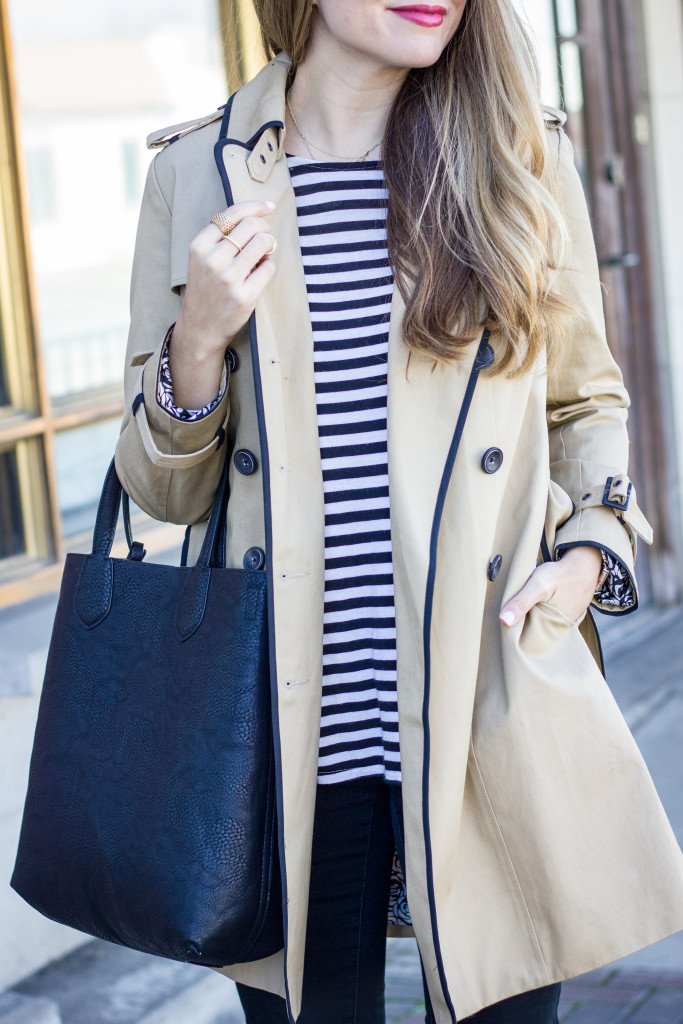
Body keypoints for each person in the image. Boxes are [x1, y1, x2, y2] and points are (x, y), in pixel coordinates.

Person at [114, 1, 683, 1021]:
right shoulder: (195, 175)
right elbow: (164, 491)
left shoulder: (514, 153)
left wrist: (588, 557)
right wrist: (195, 340)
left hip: (484, 703)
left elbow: (585, 400)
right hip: (287, 744)